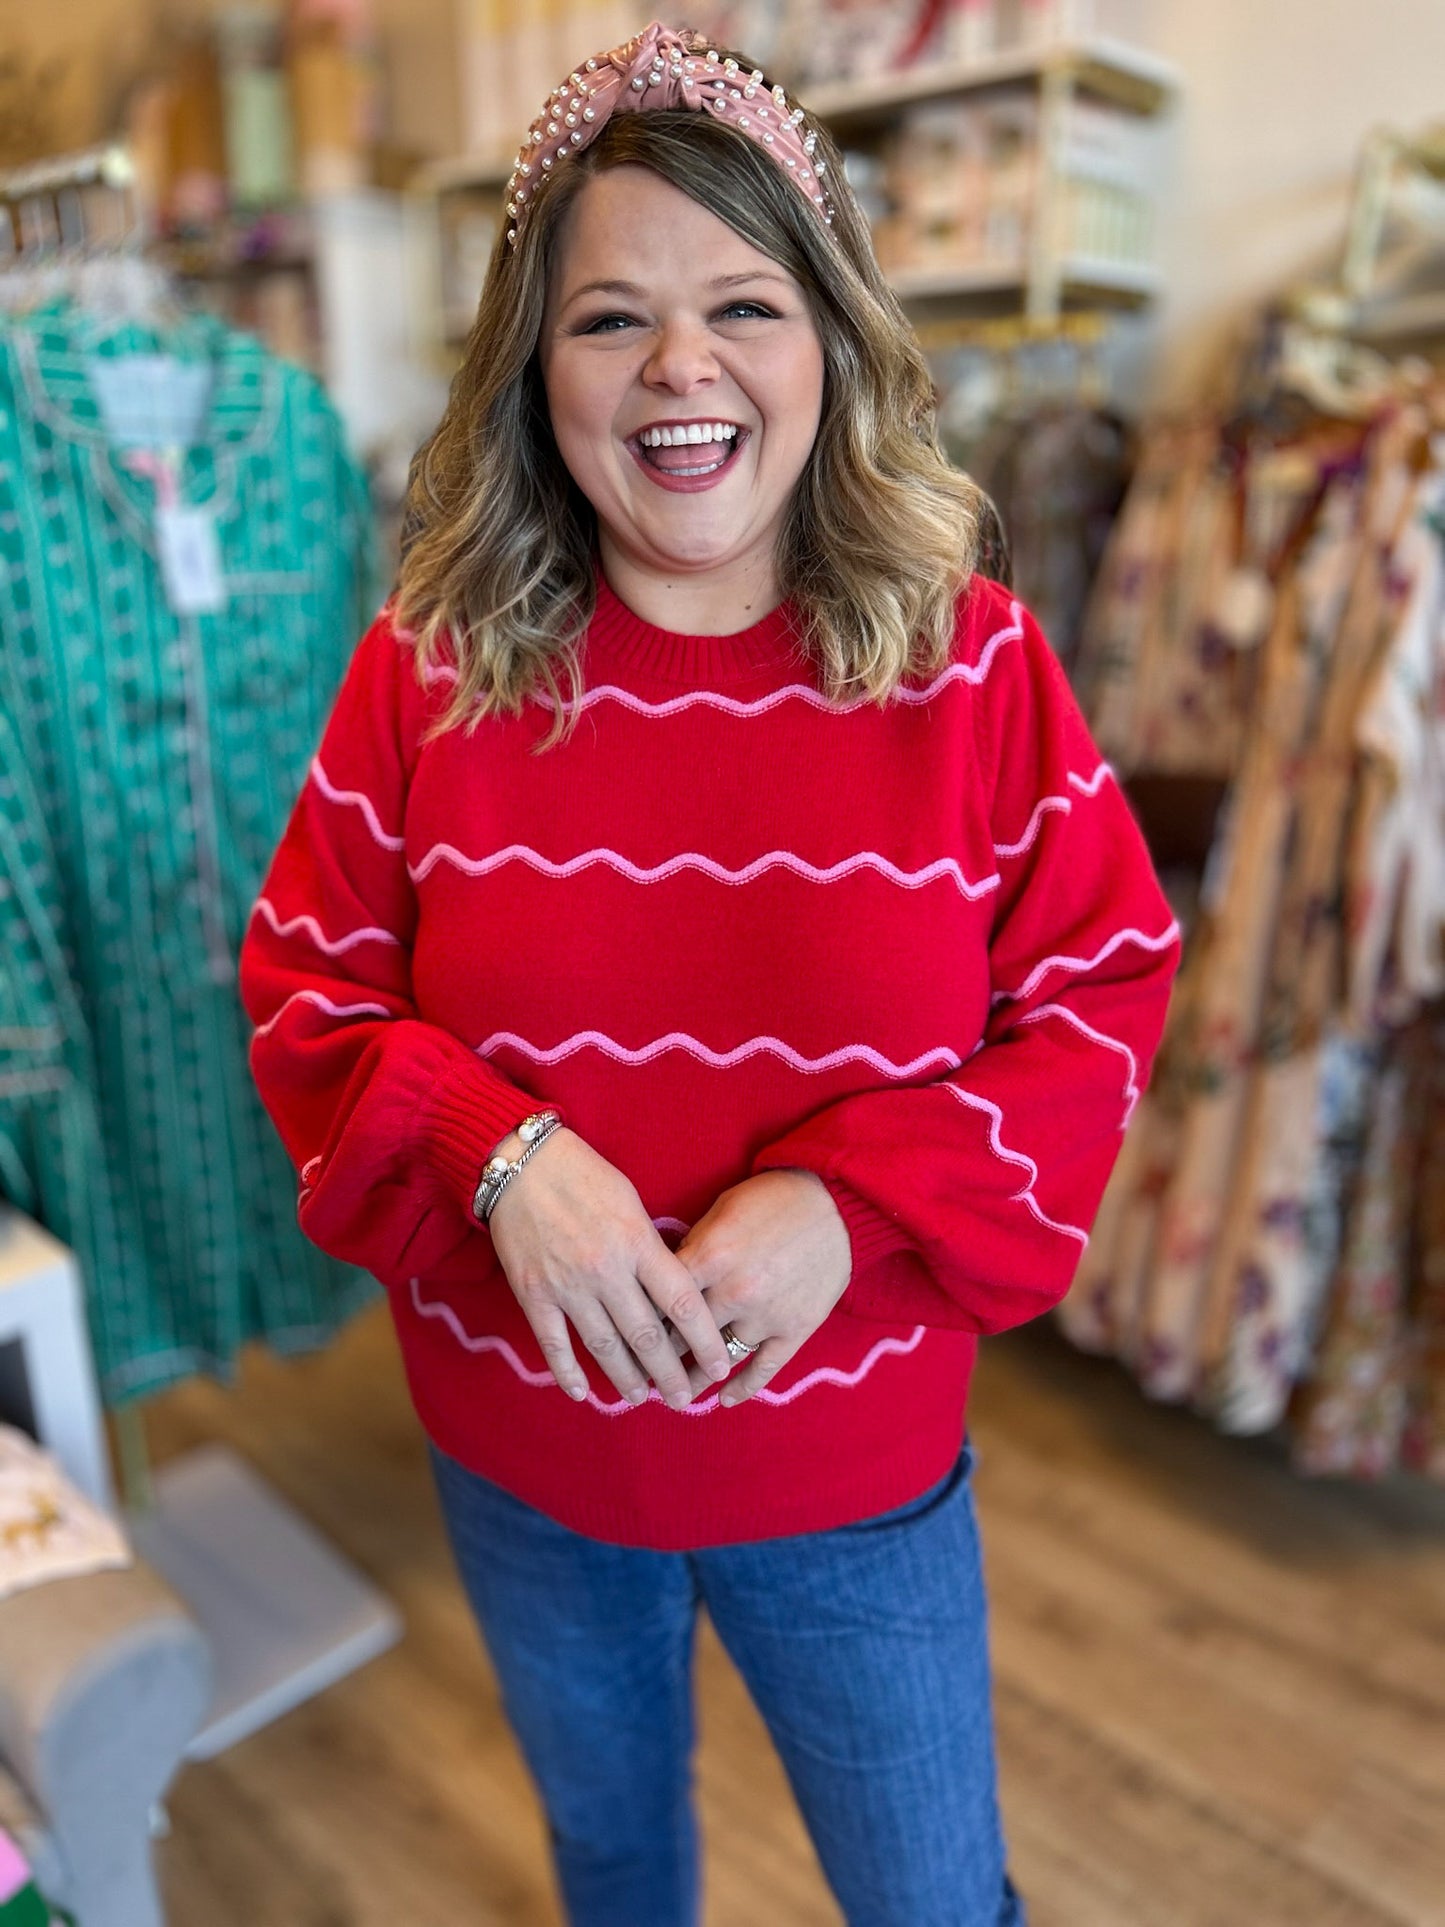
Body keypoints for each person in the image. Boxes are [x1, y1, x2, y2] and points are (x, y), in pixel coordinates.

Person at [240, 21, 1180, 1925]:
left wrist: (850, 1203)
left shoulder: (974, 668)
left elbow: (1103, 992)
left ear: (826, 334)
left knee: (932, 1901)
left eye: (742, 300)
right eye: (608, 319)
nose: (680, 364)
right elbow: (305, 990)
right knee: (613, 1865)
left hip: (852, 1462)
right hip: (521, 1454)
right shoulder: (428, 667)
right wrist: (503, 1156)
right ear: (535, 368)